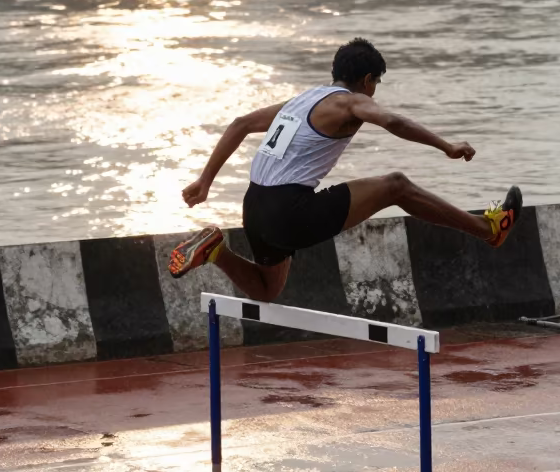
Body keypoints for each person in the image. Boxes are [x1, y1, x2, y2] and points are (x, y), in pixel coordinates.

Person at [168, 38, 522, 301]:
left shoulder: (303, 99)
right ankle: (488, 230)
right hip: (290, 210)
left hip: (255, 206)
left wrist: (205, 181)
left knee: (265, 290)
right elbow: (392, 121)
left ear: (334, 72)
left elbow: (241, 123)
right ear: (368, 80)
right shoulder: (350, 102)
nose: (374, 93)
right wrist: (446, 146)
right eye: (376, 85)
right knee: (395, 185)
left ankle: (216, 250)